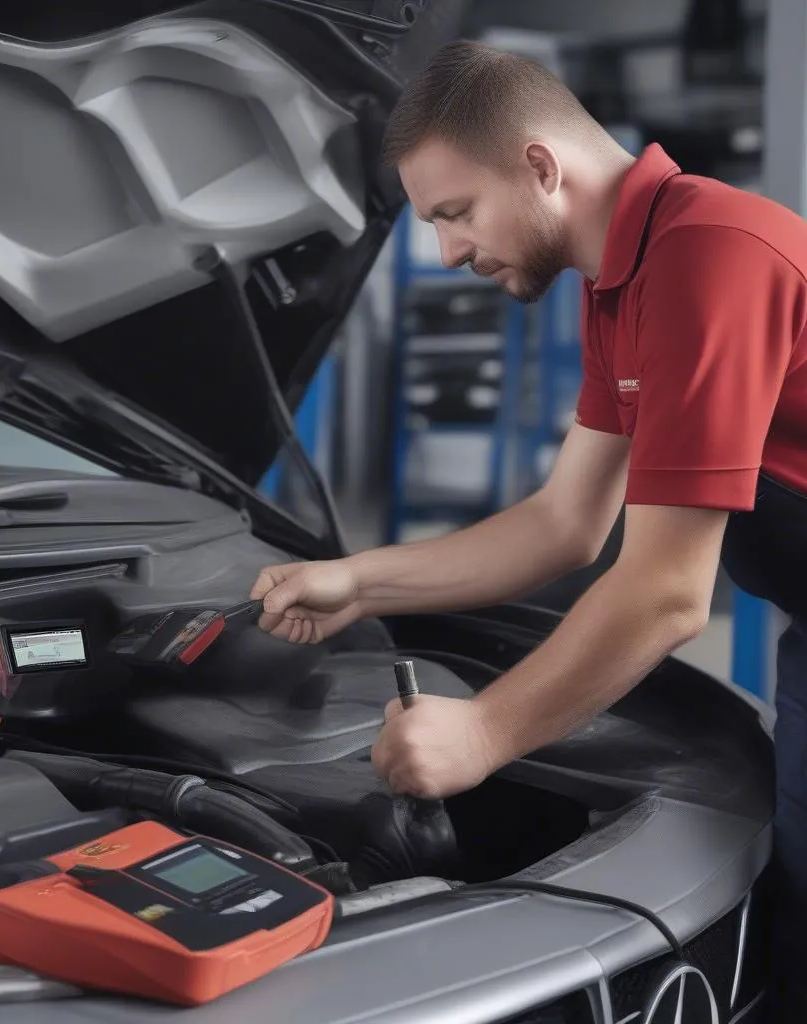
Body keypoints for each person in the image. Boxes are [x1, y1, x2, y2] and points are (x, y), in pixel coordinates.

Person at [249, 39, 807, 1022]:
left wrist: (482, 734)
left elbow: (669, 594)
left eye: (454, 213)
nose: (449, 251)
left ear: (540, 166)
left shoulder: (712, 252)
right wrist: (359, 580)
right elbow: (561, 525)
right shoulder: (619, 287)